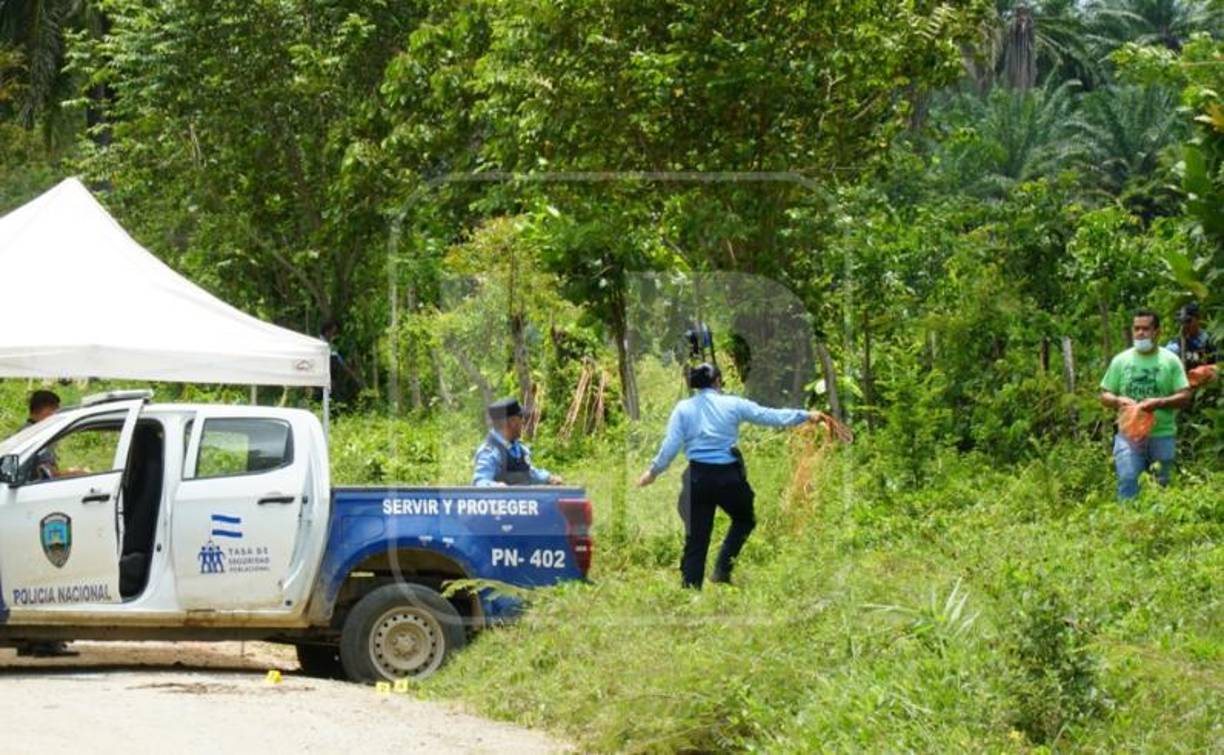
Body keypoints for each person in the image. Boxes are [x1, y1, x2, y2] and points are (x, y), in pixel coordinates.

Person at [637, 363, 828, 589]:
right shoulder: (734, 404)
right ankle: (722, 571)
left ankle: (689, 590)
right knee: (745, 519)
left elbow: (671, 446)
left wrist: (653, 472)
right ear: (718, 381)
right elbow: (770, 416)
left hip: (698, 477)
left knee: (697, 537)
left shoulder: (683, 409)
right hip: (729, 478)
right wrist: (806, 415)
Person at [1100, 309, 1191, 500]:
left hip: (1162, 434)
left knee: (1161, 485)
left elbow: (1185, 396)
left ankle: (1157, 527)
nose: (1140, 333)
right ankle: (1128, 525)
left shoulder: (1170, 361)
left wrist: (1160, 402)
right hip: (1129, 435)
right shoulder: (1121, 360)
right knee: (1129, 479)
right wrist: (1118, 400)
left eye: (1145, 329)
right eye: (1136, 329)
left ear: (1157, 332)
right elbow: (1104, 395)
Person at [16, 390, 78, 658]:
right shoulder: (40, 438)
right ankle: (45, 640)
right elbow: (46, 475)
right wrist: (73, 474)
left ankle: (32, 638)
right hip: (38, 510)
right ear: (45, 410)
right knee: (49, 573)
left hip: (25, 512)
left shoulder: (24, 434)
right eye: (55, 411)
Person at [472, 397, 564, 487]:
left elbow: (526, 473)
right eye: (521, 417)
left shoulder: (519, 448)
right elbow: (480, 482)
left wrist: (548, 478)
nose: (523, 422)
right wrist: (496, 487)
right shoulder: (490, 452)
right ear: (512, 422)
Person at [1166, 301, 1218, 372]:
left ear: (1198, 318)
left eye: (1188, 321)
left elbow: (1219, 366)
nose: (1185, 325)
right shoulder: (1175, 344)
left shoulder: (1210, 340)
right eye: (1181, 322)